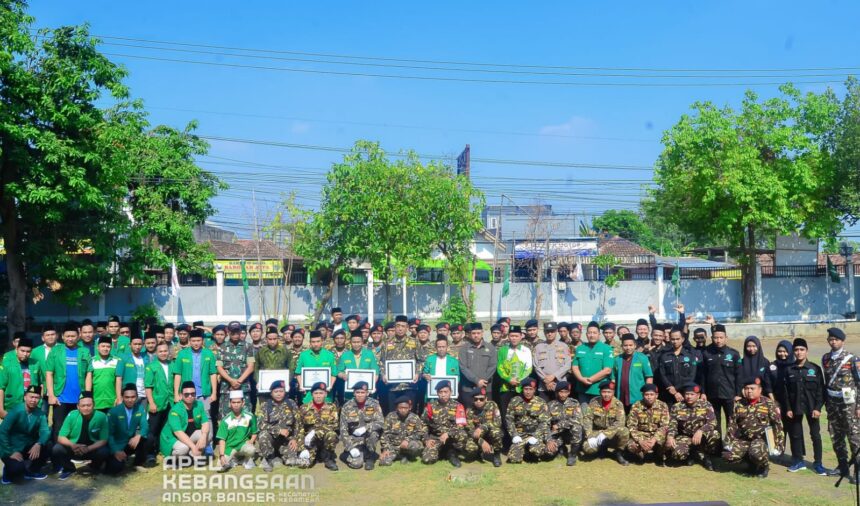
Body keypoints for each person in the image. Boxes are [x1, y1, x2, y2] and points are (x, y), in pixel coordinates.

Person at [723, 376, 784, 478]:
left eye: (752, 388)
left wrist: (779, 445)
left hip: (761, 440)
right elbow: (732, 423)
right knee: (728, 456)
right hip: (744, 438)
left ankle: (763, 466)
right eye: (747, 389)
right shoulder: (739, 404)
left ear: (760, 390)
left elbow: (777, 424)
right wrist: (728, 442)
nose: (749, 391)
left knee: (756, 452)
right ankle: (750, 463)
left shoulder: (768, 403)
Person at [782, 338, 827, 475]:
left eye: (802, 349)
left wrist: (818, 408)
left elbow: (821, 390)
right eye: (796, 350)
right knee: (795, 435)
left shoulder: (814, 369)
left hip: (812, 407)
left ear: (806, 351)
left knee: (815, 436)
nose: (799, 352)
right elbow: (785, 392)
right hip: (795, 407)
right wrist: (788, 408)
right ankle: (798, 461)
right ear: (793, 352)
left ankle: (818, 463)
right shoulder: (788, 369)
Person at [821, 327, 860, 482]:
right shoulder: (825, 358)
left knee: (854, 437)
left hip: (849, 404)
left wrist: (858, 406)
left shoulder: (852, 359)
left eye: (836, 339)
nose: (833, 342)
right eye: (831, 339)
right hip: (832, 404)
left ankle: (858, 469)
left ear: (842, 341)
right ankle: (842, 467)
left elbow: (859, 383)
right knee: (835, 436)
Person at [45, 323, 93, 442]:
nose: (70, 339)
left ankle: (77, 453)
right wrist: (51, 394)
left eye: (73, 336)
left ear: (78, 336)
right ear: (62, 336)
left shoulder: (84, 351)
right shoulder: (56, 351)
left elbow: (89, 373)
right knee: (59, 427)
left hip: (79, 398)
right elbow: (49, 373)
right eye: (67, 336)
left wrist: (87, 395)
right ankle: (58, 454)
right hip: (61, 398)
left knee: (78, 426)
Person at [52, 391, 109, 479]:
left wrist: (88, 448)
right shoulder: (71, 415)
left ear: (94, 405)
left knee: (104, 451)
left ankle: (94, 466)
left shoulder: (101, 416)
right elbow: (60, 437)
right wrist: (73, 445)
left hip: (91, 449)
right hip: (75, 449)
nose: (86, 408)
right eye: (83, 405)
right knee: (57, 448)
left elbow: (104, 440)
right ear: (78, 406)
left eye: (89, 405)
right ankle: (69, 469)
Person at [0, 386, 50, 484]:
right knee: (17, 469)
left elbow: (45, 431)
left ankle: (32, 471)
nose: (33, 400)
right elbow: (2, 432)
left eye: (36, 398)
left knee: (48, 446)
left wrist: (39, 443)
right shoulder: (16, 411)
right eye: (31, 397)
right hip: (11, 448)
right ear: (25, 397)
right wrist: (10, 452)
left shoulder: (40, 414)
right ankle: (7, 471)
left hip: (27, 447)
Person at [421, 380, 473, 467]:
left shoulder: (457, 406)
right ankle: (442, 452)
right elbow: (423, 424)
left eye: (446, 392)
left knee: (462, 435)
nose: (443, 394)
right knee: (427, 459)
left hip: (452, 438)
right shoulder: (430, 406)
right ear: (437, 393)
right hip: (436, 438)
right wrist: (426, 439)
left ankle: (452, 452)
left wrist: (448, 433)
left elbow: (461, 425)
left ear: (451, 392)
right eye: (440, 392)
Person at [700, 323, 742, 432]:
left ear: (726, 338)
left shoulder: (734, 354)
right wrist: (703, 392)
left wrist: (738, 394)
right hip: (712, 395)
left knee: (731, 422)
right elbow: (703, 375)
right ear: (712, 338)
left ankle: (730, 447)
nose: (718, 340)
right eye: (715, 338)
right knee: (714, 423)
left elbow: (739, 375)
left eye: (721, 338)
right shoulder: (706, 353)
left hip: (729, 394)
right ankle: (717, 448)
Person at [380, 316, 424, 413]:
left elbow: (421, 360)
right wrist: (383, 375)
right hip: (392, 386)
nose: (400, 328)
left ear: (407, 327)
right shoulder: (386, 343)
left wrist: (417, 373)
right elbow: (381, 361)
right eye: (398, 326)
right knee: (393, 413)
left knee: (410, 413)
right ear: (394, 327)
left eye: (403, 326)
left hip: (410, 385)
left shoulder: (414, 342)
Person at [255, 380, 302, 471]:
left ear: (285, 392)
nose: (279, 394)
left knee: (291, 462)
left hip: (286, 439)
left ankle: (280, 454)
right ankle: (269, 459)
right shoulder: (265, 405)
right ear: (271, 393)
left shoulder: (291, 404)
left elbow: (298, 424)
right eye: (276, 392)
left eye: (281, 391)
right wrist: (278, 430)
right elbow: (260, 424)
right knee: (263, 435)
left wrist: (294, 439)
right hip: (271, 438)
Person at [160, 381, 212, 463]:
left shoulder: (199, 405)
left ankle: (192, 455)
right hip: (173, 438)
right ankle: (170, 459)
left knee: (208, 435)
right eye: (186, 394)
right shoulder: (175, 410)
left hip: (188, 436)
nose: (190, 396)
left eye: (193, 394)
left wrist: (204, 436)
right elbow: (178, 432)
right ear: (181, 396)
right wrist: (194, 447)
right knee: (183, 448)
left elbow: (205, 423)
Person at [172, 328, 218, 418]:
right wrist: (176, 394)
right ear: (189, 341)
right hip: (186, 393)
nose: (196, 343)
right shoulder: (182, 354)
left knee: (206, 417)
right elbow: (178, 374)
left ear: (203, 341)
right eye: (193, 341)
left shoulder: (209, 354)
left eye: (198, 340)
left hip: (204, 394)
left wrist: (214, 393)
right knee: (185, 418)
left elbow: (213, 374)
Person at [582, 380, 630, 465]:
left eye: (609, 392)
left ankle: (619, 453)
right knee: (587, 448)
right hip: (597, 432)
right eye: (604, 392)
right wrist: (589, 435)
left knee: (624, 431)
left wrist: (606, 433)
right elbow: (587, 419)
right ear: (600, 392)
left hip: (612, 434)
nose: (606, 394)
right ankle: (602, 449)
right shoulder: (594, 402)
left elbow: (620, 423)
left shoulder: (618, 404)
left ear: (613, 392)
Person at [105, 384, 149, 474]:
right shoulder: (113, 412)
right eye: (127, 397)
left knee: (148, 437)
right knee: (115, 469)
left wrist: (139, 435)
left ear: (137, 397)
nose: (130, 400)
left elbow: (145, 425)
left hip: (130, 443)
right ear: (122, 397)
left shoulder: (140, 408)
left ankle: (138, 463)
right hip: (117, 445)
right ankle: (110, 461)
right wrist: (116, 451)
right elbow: (109, 434)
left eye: (133, 397)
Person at [338, 381, 384, 470]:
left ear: (367, 393)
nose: (360, 395)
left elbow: (381, 422)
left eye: (362, 392)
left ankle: (370, 458)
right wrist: (350, 447)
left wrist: (366, 428)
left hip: (368, 437)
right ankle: (347, 454)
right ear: (354, 393)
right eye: (357, 392)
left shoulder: (374, 404)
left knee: (374, 433)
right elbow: (343, 430)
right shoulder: (347, 406)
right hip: (354, 439)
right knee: (357, 464)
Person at [505, 378, 550, 464]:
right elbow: (509, 419)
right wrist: (514, 435)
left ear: (534, 390)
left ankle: (530, 451)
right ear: (522, 389)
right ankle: (524, 451)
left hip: (535, 434)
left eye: (530, 389)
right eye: (526, 389)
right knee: (514, 459)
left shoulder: (541, 402)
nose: (528, 392)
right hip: (520, 435)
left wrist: (536, 436)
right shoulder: (515, 401)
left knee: (537, 451)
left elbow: (544, 422)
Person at [496, 325, 533, 425]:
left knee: (520, 414)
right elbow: (499, 367)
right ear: (508, 336)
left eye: (516, 336)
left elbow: (528, 368)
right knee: (506, 414)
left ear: (521, 336)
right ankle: (507, 439)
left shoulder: (526, 350)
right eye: (511, 336)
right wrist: (508, 379)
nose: (514, 338)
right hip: (505, 388)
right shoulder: (502, 350)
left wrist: (518, 380)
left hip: (520, 387)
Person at [297, 382, 339, 470]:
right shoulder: (304, 408)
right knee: (303, 465)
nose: (318, 396)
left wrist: (316, 431)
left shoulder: (332, 407)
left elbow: (334, 425)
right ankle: (314, 454)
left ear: (325, 394)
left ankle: (328, 458)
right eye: (316, 393)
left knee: (332, 435)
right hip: (310, 441)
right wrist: (302, 448)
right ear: (312, 394)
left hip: (325, 440)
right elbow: (299, 428)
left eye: (321, 393)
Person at [216, 326, 255, 419]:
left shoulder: (248, 346)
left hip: (243, 387)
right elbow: (219, 367)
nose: (235, 335)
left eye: (237, 332)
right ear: (228, 332)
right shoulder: (222, 347)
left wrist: (239, 381)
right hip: (227, 388)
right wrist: (231, 381)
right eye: (233, 333)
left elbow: (251, 366)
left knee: (246, 416)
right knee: (225, 416)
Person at [625, 384, 670, 465]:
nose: (649, 397)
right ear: (643, 395)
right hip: (641, 434)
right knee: (631, 445)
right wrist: (640, 440)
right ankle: (639, 454)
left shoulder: (663, 406)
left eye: (651, 394)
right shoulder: (636, 406)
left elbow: (664, 426)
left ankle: (659, 455)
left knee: (667, 441)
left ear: (656, 395)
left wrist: (654, 439)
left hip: (656, 435)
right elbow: (631, 426)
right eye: (646, 394)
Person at [571, 321, 614, 405]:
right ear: (586, 334)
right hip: (582, 389)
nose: (592, 335)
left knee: (597, 415)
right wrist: (581, 379)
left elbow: (607, 370)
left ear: (599, 334)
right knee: (584, 414)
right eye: (589, 333)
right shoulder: (580, 348)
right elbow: (574, 367)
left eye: (594, 333)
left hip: (599, 390)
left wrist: (590, 380)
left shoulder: (606, 348)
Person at [655, 326, 699, 406]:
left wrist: (676, 390)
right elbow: (662, 374)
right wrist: (671, 388)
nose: (675, 341)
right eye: (672, 339)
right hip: (668, 393)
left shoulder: (690, 356)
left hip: (685, 394)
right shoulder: (664, 355)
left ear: (683, 339)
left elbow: (691, 376)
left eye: (677, 339)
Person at [215, 390, 258, 472]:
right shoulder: (225, 420)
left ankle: (247, 460)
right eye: (234, 402)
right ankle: (234, 459)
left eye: (238, 402)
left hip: (243, 445)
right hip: (230, 447)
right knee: (219, 468)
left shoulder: (250, 417)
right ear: (230, 403)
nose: (236, 405)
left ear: (243, 403)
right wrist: (221, 455)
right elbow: (222, 440)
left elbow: (255, 432)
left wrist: (252, 441)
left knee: (251, 450)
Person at [611, 334, 654, 413]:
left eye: (630, 345)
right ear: (622, 346)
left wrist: (647, 393)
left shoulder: (642, 358)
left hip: (637, 397)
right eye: (625, 345)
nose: (628, 348)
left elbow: (649, 377)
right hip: (621, 397)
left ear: (635, 345)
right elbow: (613, 378)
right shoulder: (617, 359)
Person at [144, 341, 173, 459]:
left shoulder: (172, 364)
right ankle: (150, 452)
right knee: (153, 428)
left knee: (166, 427)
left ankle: (163, 449)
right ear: (156, 352)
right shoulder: (151, 367)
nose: (163, 353)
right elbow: (148, 386)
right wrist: (151, 402)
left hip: (170, 401)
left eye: (165, 351)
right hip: (157, 402)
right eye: (160, 351)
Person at [459, 322, 497, 409]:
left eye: (478, 333)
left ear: (482, 333)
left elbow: (493, 366)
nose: (476, 335)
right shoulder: (464, 349)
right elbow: (463, 367)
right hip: (468, 389)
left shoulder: (490, 348)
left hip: (486, 388)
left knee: (486, 414)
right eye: (473, 333)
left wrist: (482, 381)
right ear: (469, 334)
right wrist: (476, 380)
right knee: (469, 414)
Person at [379, 396, 426, 466]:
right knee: (384, 462)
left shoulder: (415, 417)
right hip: (393, 447)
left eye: (405, 408)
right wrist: (385, 449)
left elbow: (420, 432)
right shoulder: (390, 416)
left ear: (410, 408)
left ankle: (408, 455)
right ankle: (401, 456)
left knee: (415, 446)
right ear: (397, 408)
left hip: (408, 446)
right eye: (401, 408)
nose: (403, 410)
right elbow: (384, 434)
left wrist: (408, 439)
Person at [0, 337, 40, 418]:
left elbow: (41, 384)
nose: (25, 354)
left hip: (31, 408)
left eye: (28, 351)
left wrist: (40, 402)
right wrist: (1, 409)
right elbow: (1, 388)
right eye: (22, 351)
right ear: (17, 349)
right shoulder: (7, 364)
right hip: (11, 406)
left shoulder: (36, 364)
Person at [295, 331, 337, 405]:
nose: (316, 344)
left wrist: (329, 386)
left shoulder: (330, 355)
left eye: (318, 341)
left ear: (322, 341)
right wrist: (301, 385)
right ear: (310, 343)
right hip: (308, 396)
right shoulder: (303, 355)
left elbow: (333, 374)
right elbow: (298, 373)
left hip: (325, 395)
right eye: (313, 342)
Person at [336, 331, 380, 402]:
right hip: (350, 392)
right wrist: (343, 375)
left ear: (362, 342)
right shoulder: (345, 355)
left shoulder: (369, 354)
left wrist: (371, 386)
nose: (356, 344)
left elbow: (376, 372)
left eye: (358, 342)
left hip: (365, 392)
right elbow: (338, 371)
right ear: (350, 342)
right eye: (354, 342)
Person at [465, 387, 504, 467]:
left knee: (496, 432)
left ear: (486, 399)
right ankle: (478, 453)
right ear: (473, 400)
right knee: (470, 448)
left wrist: (483, 426)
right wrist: (481, 441)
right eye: (476, 399)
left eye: (481, 399)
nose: (478, 401)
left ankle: (496, 455)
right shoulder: (469, 410)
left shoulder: (492, 405)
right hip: (478, 436)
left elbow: (498, 423)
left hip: (490, 434)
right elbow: (469, 429)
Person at [547, 381, 582, 466]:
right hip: (557, 434)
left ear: (569, 392)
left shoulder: (574, 403)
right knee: (548, 453)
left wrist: (559, 425)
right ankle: (561, 448)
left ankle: (572, 454)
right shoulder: (550, 405)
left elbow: (577, 419)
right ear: (556, 392)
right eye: (560, 392)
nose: (563, 395)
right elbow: (545, 424)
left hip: (570, 432)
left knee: (577, 427)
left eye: (565, 392)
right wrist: (549, 440)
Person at [534, 321, 571, 401]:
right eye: (547, 331)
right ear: (544, 332)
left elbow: (567, 365)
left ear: (556, 332)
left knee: (559, 411)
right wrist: (546, 380)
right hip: (543, 386)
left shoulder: (564, 346)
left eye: (552, 331)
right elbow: (536, 366)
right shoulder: (538, 347)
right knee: (543, 410)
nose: (550, 334)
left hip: (560, 386)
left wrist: (553, 376)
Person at [90, 335, 120, 412]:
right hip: (96, 401)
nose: (105, 349)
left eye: (108, 346)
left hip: (112, 401)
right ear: (97, 347)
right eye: (103, 346)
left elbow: (118, 381)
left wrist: (119, 397)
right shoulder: (91, 361)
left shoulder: (117, 361)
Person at [739, 335, 773, 400]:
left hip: (762, 397)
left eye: (754, 346)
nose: (751, 349)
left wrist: (770, 397)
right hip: (745, 396)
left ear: (758, 346)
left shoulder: (765, 362)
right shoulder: (741, 362)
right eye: (748, 346)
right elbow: (739, 380)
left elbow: (768, 382)